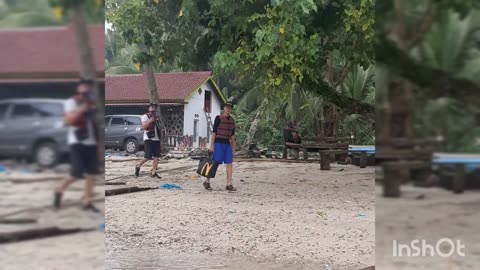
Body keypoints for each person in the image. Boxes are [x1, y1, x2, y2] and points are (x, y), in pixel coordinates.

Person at [54, 79, 100, 212]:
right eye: (84, 87)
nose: (87, 90)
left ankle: (87, 201)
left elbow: (94, 123)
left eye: (89, 88)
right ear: (79, 88)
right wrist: (82, 109)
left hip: (91, 143)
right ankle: (59, 190)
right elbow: (69, 120)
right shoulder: (71, 102)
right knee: (76, 173)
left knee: (92, 174)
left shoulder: (92, 104)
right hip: (77, 142)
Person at [203, 102, 237, 191]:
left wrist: (233, 148)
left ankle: (229, 184)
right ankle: (207, 181)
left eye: (230, 108)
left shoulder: (232, 121)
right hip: (218, 143)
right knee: (214, 163)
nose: (228, 109)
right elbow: (214, 132)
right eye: (227, 107)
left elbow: (232, 136)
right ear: (224, 108)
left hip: (227, 144)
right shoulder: (218, 118)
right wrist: (211, 145)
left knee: (229, 163)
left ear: (231, 109)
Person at [134, 103, 162, 178]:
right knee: (147, 156)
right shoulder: (145, 116)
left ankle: (153, 172)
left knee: (157, 156)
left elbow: (160, 127)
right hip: (148, 138)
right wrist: (150, 121)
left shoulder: (156, 117)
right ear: (149, 108)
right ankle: (138, 166)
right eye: (152, 107)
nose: (153, 109)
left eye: (155, 108)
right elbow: (144, 127)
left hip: (157, 138)